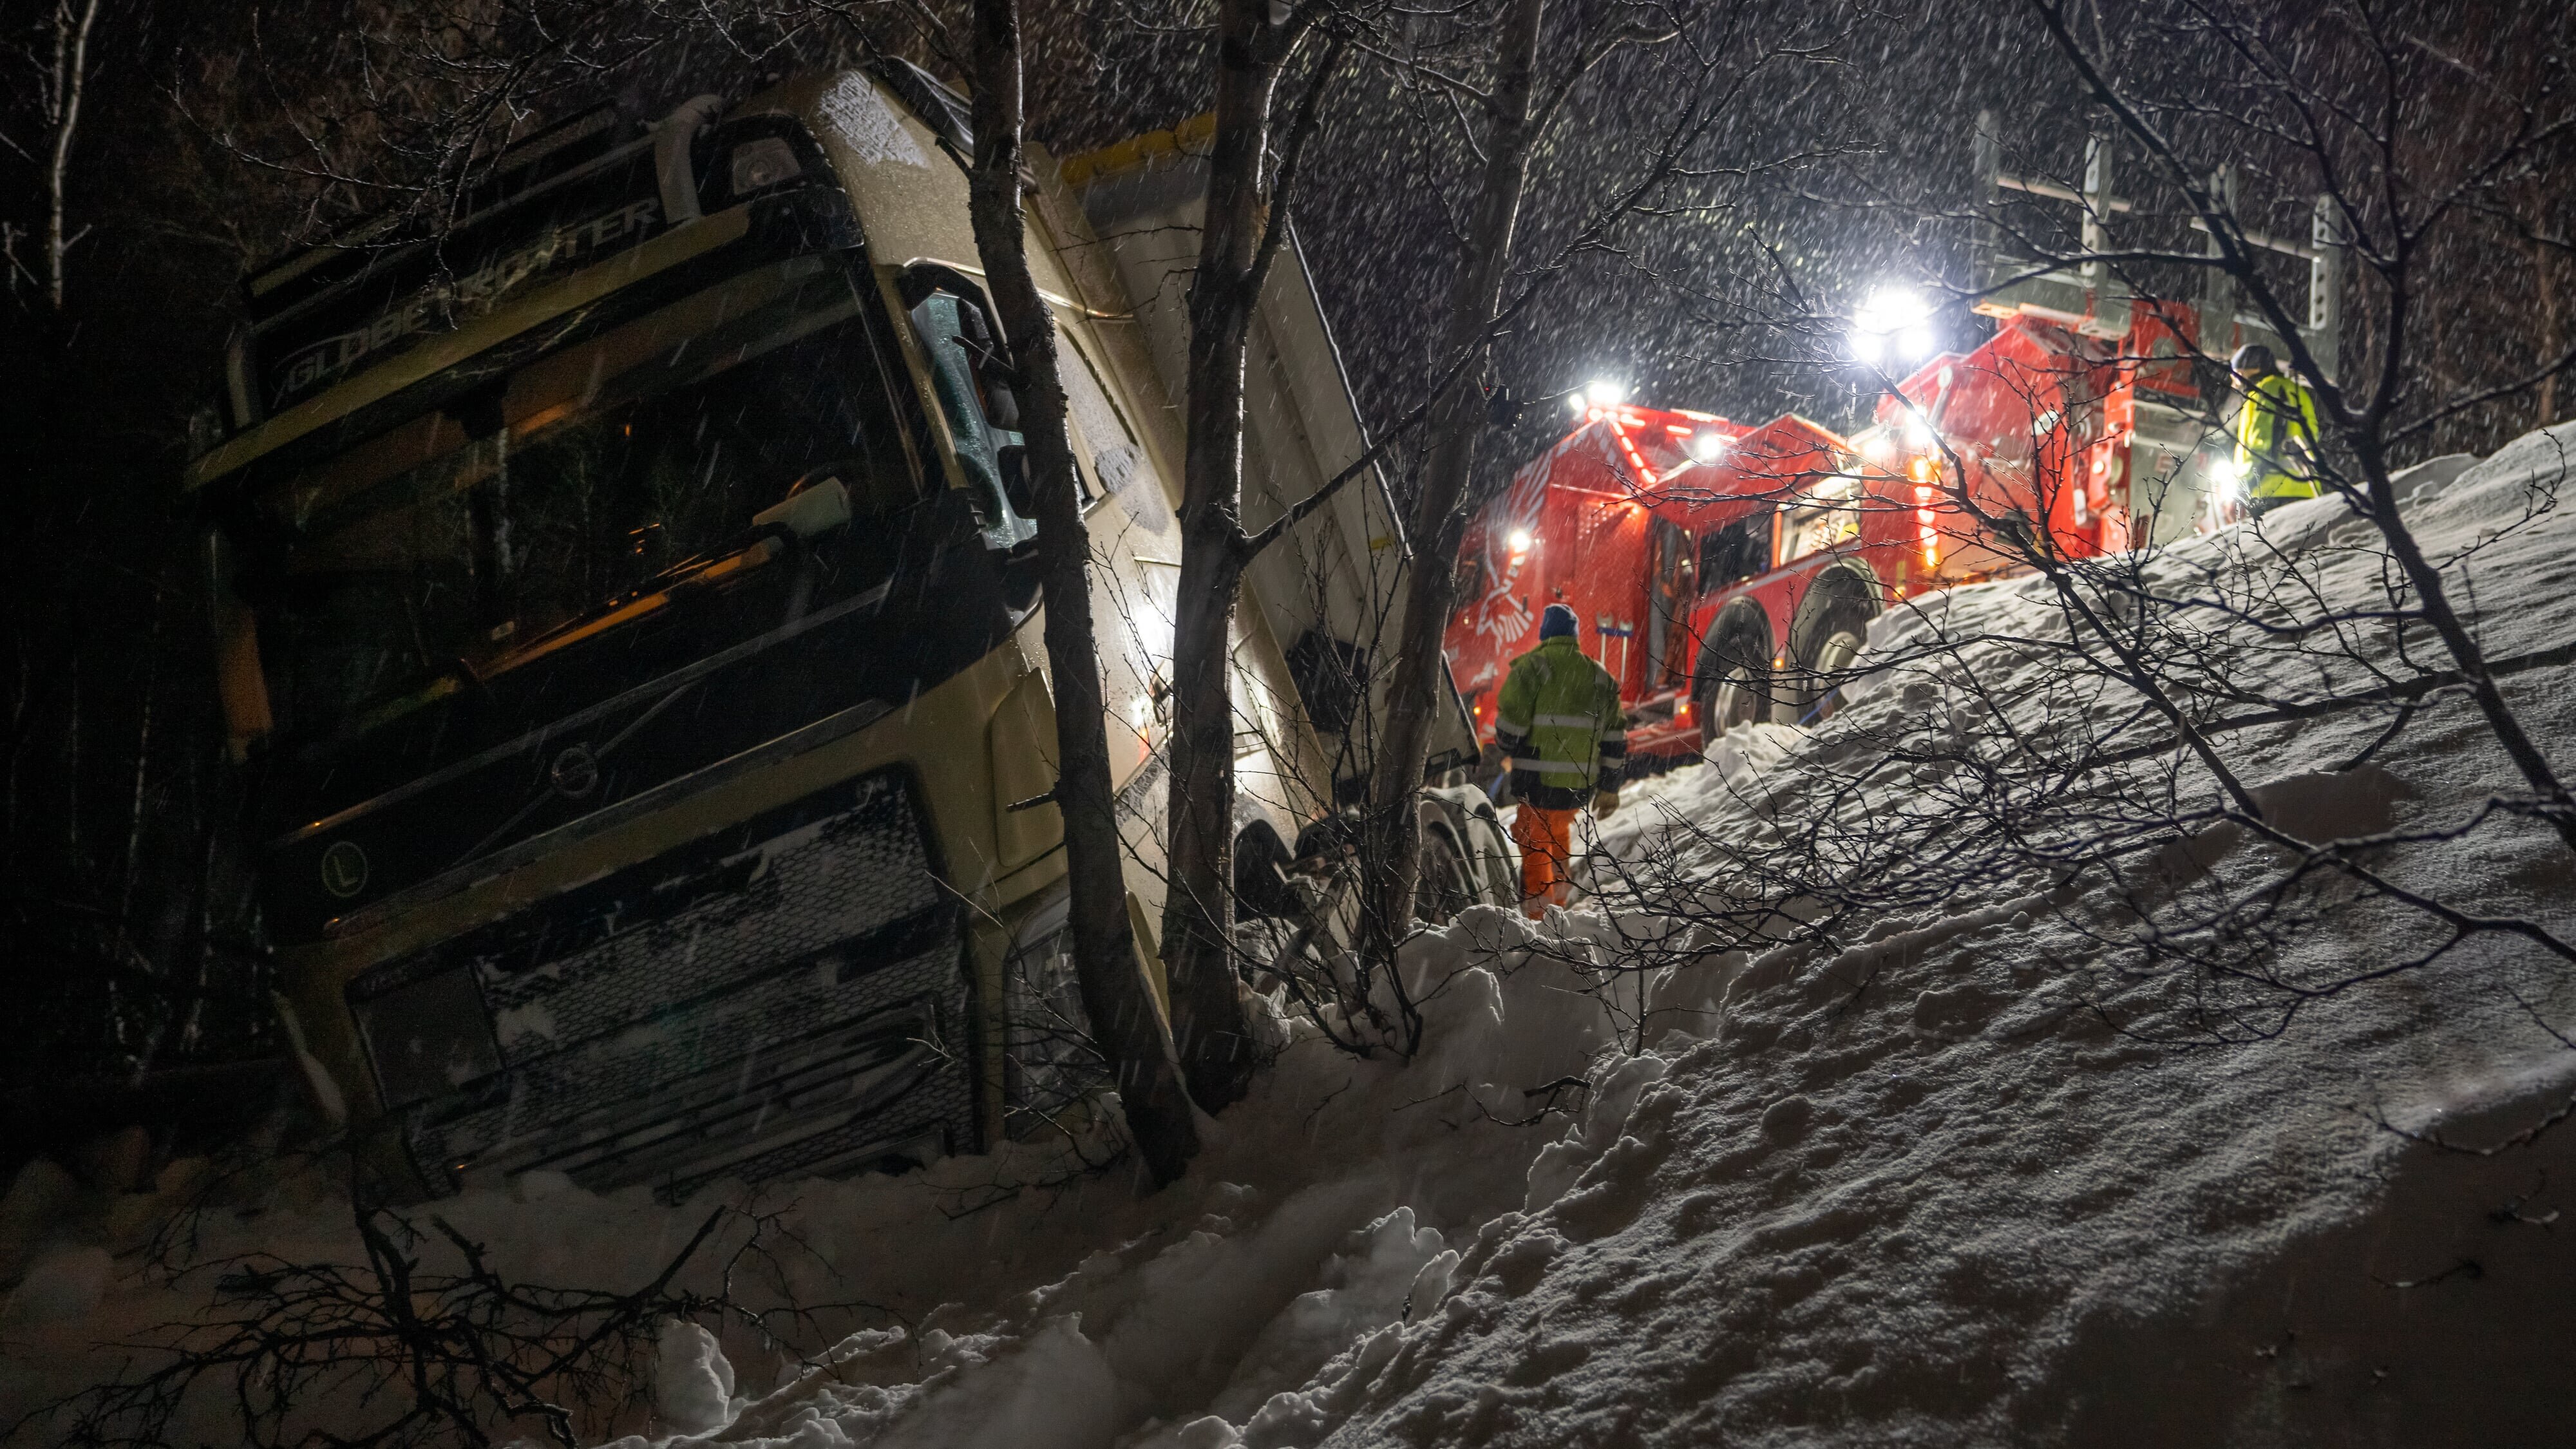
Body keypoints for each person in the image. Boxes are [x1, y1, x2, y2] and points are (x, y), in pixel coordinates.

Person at [1493, 603, 1627, 916]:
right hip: (1577, 787)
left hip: (1538, 783)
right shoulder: (1599, 676)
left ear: (1545, 634)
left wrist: (1507, 741)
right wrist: (1610, 787)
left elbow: (1509, 733)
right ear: (1574, 636)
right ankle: (1559, 907)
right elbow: (1615, 739)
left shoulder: (1532, 669)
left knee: (1535, 844)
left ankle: (1540, 921)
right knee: (1558, 839)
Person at [2231, 343, 2324, 516]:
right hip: (2307, 489)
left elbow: (2262, 442)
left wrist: (2244, 487)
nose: (2234, 381)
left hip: (2271, 489)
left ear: (2255, 368)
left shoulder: (2264, 391)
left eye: (2238, 373)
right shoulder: (2298, 392)